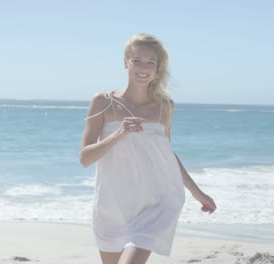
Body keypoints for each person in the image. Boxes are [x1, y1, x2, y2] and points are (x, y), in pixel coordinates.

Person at [79, 33, 216, 264]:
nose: (143, 67)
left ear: (158, 67)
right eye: (137, 61)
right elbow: (85, 158)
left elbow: (167, 155)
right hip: (112, 205)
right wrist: (118, 134)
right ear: (125, 62)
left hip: (156, 204)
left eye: (150, 62)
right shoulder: (103, 101)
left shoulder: (164, 106)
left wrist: (197, 192)